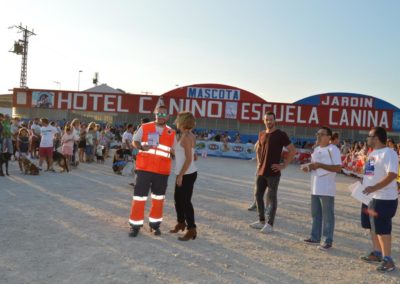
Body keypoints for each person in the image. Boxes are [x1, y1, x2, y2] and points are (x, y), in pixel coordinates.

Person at [128, 105, 176, 237]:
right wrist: (142, 148)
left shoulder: (172, 132)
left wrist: (174, 152)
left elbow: (175, 151)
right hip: (144, 168)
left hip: (162, 171)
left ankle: (154, 225)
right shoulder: (145, 127)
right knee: (139, 197)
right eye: (158, 114)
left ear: (167, 116)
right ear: (155, 114)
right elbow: (135, 141)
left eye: (163, 114)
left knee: (158, 199)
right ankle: (135, 226)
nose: (161, 116)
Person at [249, 111, 296, 233]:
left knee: (271, 198)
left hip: (273, 173)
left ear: (275, 120)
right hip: (261, 171)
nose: (269, 122)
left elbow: (292, 150)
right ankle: (261, 221)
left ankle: (270, 224)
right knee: (258, 195)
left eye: (271, 119)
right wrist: (259, 162)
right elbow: (259, 149)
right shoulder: (261, 134)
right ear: (264, 120)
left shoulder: (281, 134)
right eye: (267, 119)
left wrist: (283, 165)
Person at [360, 127, 398, 272]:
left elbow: (392, 174)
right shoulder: (372, 153)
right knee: (371, 226)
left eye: (369, 136)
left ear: (376, 137)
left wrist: (374, 187)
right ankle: (377, 253)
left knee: (383, 229)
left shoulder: (389, 153)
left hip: (384, 198)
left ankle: (388, 260)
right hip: (369, 196)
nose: (367, 139)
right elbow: (369, 174)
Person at [302, 127, 342, 250]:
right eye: (317, 134)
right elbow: (315, 166)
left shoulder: (333, 149)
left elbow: (337, 168)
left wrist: (319, 165)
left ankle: (327, 240)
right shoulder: (316, 149)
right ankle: (315, 237)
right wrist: (309, 167)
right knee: (315, 213)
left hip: (327, 188)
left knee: (327, 215)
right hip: (315, 185)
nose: (318, 136)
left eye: (321, 134)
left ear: (329, 137)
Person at [169, 111, 198, 241]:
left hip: (186, 173)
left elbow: (188, 159)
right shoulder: (188, 135)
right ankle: (181, 223)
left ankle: (192, 229)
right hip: (184, 172)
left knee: (185, 202)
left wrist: (180, 175)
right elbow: (191, 154)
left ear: (183, 121)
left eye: (178, 119)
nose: (176, 121)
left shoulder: (186, 137)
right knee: (178, 200)